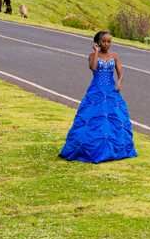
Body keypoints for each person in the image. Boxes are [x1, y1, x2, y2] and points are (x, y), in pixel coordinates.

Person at [59, 31, 138, 163]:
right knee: (92, 117)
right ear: (98, 42)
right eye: (104, 41)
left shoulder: (115, 55)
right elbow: (93, 68)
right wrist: (96, 52)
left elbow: (120, 72)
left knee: (116, 117)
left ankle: (115, 149)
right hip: (96, 90)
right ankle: (90, 149)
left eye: (109, 41)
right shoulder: (91, 56)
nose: (107, 44)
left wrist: (119, 82)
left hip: (111, 90)